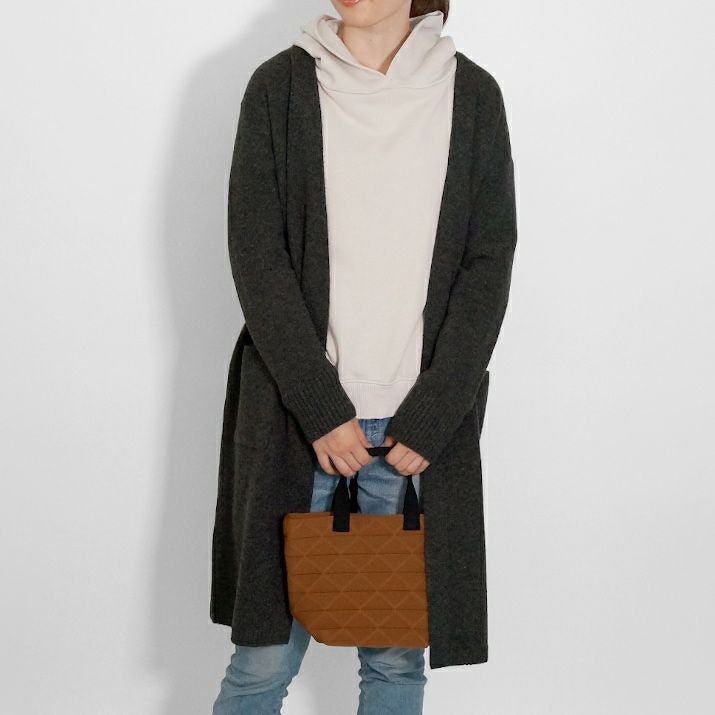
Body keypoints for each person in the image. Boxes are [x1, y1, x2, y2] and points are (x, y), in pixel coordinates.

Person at [210, 1, 517, 712]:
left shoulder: (471, 95)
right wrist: (320, 408)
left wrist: (435, 414)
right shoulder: (280, 88)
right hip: (301, 422)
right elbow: (256, 255)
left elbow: (487, 262)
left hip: (412, 433)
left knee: (395, 664)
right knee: (260, 663)